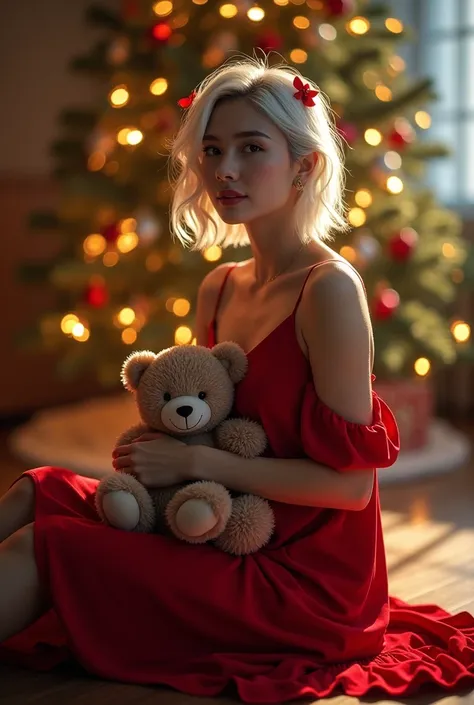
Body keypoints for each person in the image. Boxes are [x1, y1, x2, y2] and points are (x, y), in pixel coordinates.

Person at [0, 55, 472, 702]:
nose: (225, 169)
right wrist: (153, 457)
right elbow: (208, 421)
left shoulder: (328, 291)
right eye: (213, 149)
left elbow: (353, 486)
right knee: (40, 488)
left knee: (47, 546)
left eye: (252, 148)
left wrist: (198, 463)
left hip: (301, 576)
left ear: (305, 165)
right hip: (219, 527)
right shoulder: (218, 286)